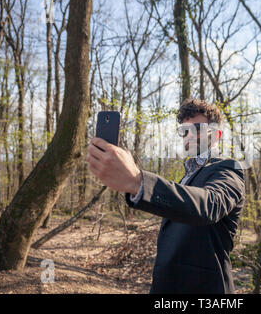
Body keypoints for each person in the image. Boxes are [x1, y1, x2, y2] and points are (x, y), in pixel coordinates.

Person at [86, 98, 246, 293]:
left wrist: (139, 182)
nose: (189, 135)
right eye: (184, 130)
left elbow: (209, 204)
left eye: (196, 128)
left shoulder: (228, 168)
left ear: (217, 134)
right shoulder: (186, 177)